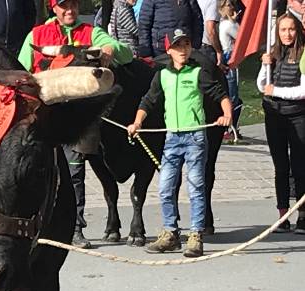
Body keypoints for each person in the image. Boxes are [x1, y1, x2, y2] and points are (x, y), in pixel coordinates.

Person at [18, 0, 133, 248]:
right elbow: (19, 71)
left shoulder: (90, 32)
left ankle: (76, 227)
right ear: (53, 8)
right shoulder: (36, 35)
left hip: (78, 113)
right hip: (44, 115)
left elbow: (127, 53)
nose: (70, 10)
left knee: (75, 171)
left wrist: (109, 48)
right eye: (63, 5)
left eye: (73, 4)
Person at [127, 29, 232, 257]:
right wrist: (136, 123)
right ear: (169, 51)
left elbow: (220, 94)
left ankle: (195, 235)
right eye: (177, 46)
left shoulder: (198, 72)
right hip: (172, 138)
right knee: (165, 188)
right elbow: (148, 100)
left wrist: (226, 114)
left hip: (194, 137)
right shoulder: (162, 75)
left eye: (186, 45)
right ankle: (170, 233)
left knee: (195, 187)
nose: (182, 50)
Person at [257, 13, 305, 234]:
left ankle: (302, 214)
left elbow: (303, 91)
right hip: (274, 115)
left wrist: (276, 91)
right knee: (280, 167)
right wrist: (265, 65)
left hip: (298, 115)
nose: (287, 34)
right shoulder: (273, 52)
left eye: (291, 29)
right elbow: (262, 85)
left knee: (299, 166)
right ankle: (282, 214)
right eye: (283, 30)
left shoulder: (303, 53)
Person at [137, 0, 204, 58]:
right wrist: (146, 54)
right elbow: (144, 26)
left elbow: (198, 21)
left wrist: (195, 46)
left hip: (184, 50)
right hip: (160, 52)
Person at [219, 0, 242, 140]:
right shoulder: (227, 24)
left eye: (232, 4)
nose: (232, 7)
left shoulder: (222, 23)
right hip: (229, 58)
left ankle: (229, 128)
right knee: (233, 96)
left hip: (227, 57)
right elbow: (241, 36)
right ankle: (229, 129)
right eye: (228, 5)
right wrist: (235, 22)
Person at [197, 0, 224, 66]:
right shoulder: (213, 2)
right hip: (209, 48)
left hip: (195, 46)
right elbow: (210, 30)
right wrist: (219, 51)